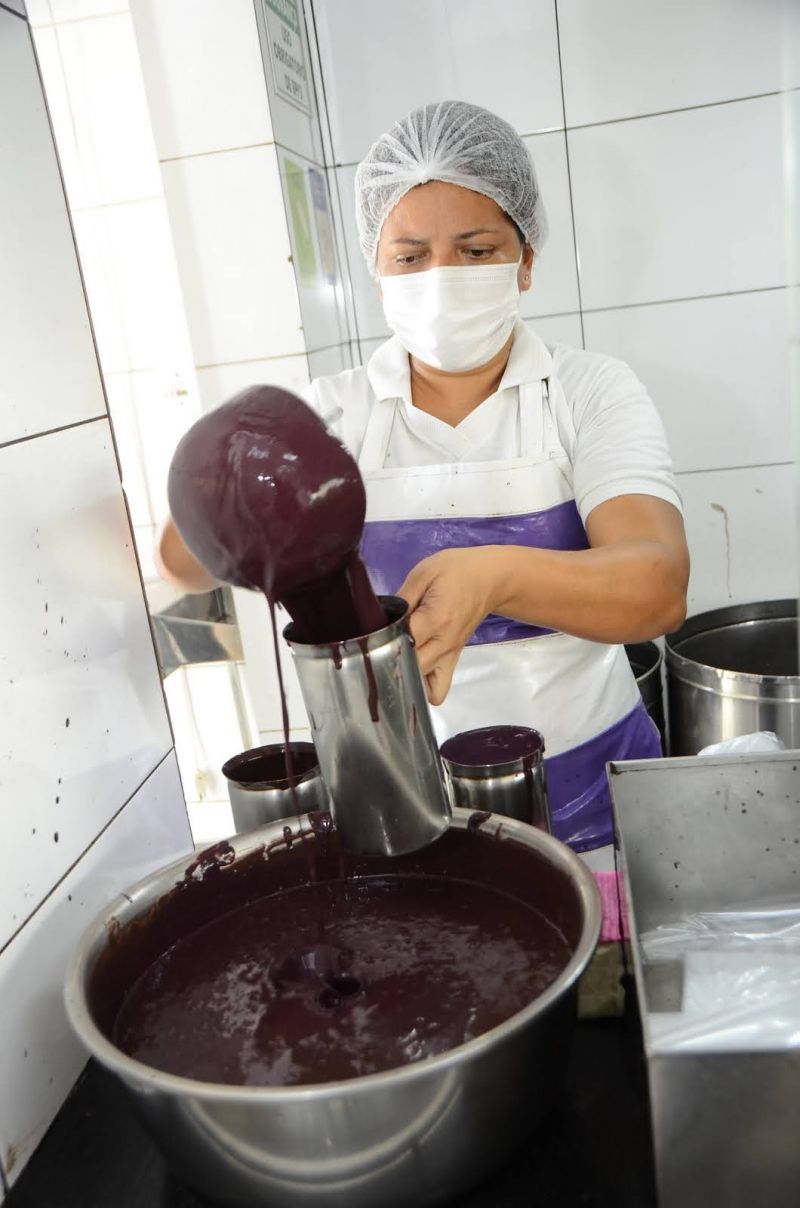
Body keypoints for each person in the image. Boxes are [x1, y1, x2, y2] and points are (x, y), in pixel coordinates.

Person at [157, 100, 689, 940]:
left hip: (602, 805)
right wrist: (223, 471)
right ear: (377, 271)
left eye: (476, 251)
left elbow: (655, 587)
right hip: (405, 819)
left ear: (525, 261)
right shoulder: (331, 415)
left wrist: (498, 574)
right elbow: (184, 560)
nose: (442, 277)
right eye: (410, 256)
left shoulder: (588, 392)